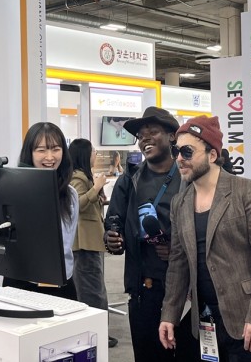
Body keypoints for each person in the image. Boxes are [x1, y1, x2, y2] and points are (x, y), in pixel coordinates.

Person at [159, 116, 251, 362]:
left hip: (250, 316)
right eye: (176, 151)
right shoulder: (180, 203)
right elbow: (178, 264)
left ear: (212, 155)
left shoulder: (248, 191)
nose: (179, 158)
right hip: (205, 317)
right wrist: (169, 315)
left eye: (187, 152)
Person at [105, 106, 196, 362]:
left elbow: (207, 226)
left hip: (190, 289)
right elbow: (114, 219)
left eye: (152, 132)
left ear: (171, 136)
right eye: (141, 135)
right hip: (146, 288)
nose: (145, 138)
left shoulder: (189, 176)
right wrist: (112, 237)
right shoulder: (130, 178)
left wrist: (178, 247)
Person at [0, 121, 79, 299]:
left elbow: (65, 245)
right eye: (41, 150)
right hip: (19, 281)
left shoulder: (70, 195)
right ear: (30, 153)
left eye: (56, 149)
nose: (50, 157)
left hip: (59, 283)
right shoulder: (13, 191)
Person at [69, 138, 118, 348]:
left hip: (91, 242)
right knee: (92, 293)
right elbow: (75, 204)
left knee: (95, 290)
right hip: (84, 244)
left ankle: (97, 333)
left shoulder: (83, 176)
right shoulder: (77, 178)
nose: (96, 154)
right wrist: (95, 188)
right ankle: (96, 335)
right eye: (93, 151)